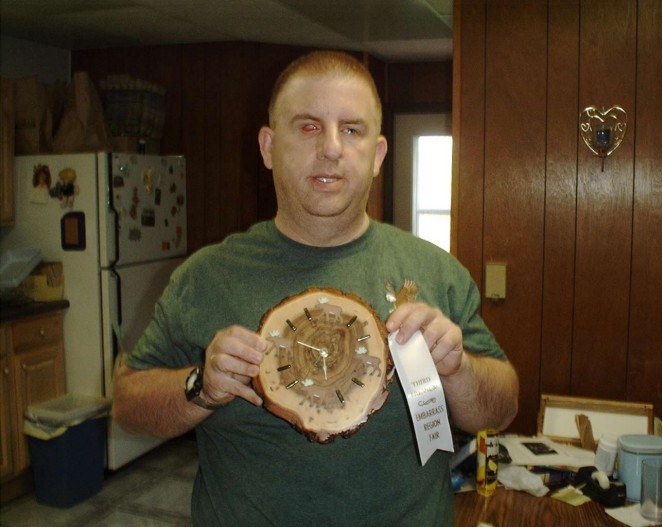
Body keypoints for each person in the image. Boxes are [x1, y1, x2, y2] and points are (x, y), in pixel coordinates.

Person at [113, 50, 519, 526]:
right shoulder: (204, 277)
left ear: (378, 155)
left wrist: (458, 370)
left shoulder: (435, 273)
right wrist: (200, 386)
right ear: (267, 147)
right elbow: (126, 405)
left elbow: (503, 407)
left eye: (352, 129)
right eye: (307, 126)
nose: (331, 148)